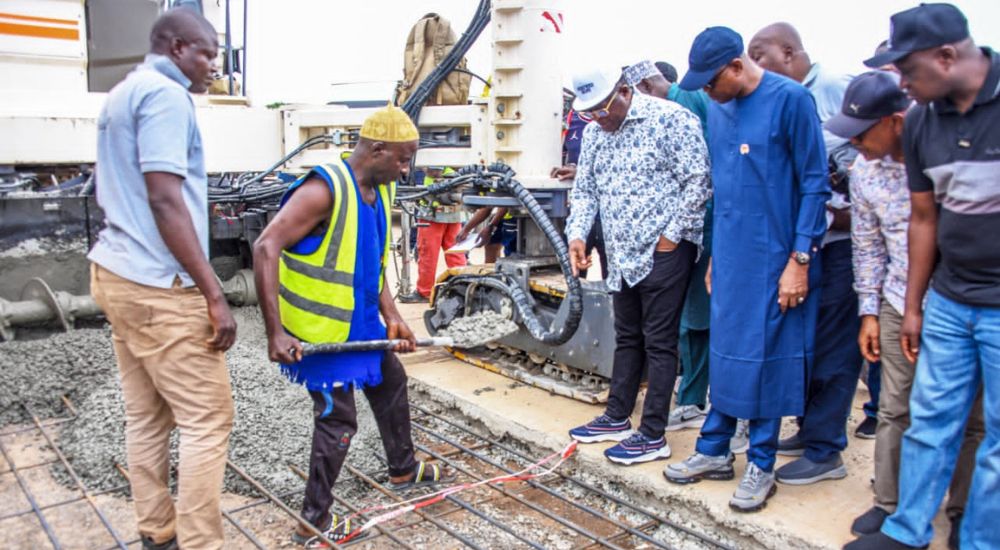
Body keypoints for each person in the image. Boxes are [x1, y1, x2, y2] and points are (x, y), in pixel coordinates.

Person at [252, 105, 452, 546]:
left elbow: (372, 262)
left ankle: (403, 469)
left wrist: (392, 315)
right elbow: (266, 247)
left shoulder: (381, 190)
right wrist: (275, 332)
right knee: (338, 420)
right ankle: (313, 522)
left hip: (359, 325)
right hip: (321, 334)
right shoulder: (323, 190)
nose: (406, 170)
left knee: (391, 382)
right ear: (376, 149)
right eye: (402, 159)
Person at [845, 4, 999, 549]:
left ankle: (974, 534)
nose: (903, 85)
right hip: (949, 300)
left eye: (907, 71)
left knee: (992, 436)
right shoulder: (925, 123)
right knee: (927, 420)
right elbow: (924, 218)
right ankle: (905, 530)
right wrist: (912, 307)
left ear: (947, 56)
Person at [664, 27, 830, 512]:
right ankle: (715, 449)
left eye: (711, 82)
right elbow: (726, 188)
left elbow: (815, 184)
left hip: (778, 258)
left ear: (736, 66)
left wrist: (799, 259)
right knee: (727, 354)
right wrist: (717, 254)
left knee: (768, 358)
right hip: (733, 257)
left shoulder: (791, 100)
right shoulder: (719, 109)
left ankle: (761, 463)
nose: (707, 92)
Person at [86, 9, 235, 550]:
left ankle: (158, 533)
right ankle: (200, 544)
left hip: (115, 272)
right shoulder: (167, 97)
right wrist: (213, 292)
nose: (214, 66)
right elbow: (164, 197)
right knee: (206, 419)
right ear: (176, 48)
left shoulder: (122, 93)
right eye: (207, 54)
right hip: (158, 285)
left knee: (146, 416)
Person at [564, 66, 711, 466]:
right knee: (627, 335)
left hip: (664, 250)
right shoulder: (595, 134)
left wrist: (672, 237)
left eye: (602, 109)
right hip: (620, 251)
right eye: (589, 113)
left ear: (625, 91)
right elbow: (586, 191)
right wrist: (577, 235)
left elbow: (698, 180)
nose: (598, 118)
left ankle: (652, 435)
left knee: (659, 340)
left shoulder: (671, 119)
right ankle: (617, 416)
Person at [747, 21, 863, 485]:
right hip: (803, 245)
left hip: (839, 245)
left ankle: (825, 450)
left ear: (790, 52)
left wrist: (845, 203)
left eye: (761, 55)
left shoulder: (834, 85)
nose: (755, 67)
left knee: (834, 349)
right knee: (806, 344)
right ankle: (809, 429)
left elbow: (876, 154)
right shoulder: (780, 98)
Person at [622, 59, 713, 432]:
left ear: (644, 86)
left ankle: (696, 399)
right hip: (686, 230)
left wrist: (673, 234)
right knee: (685, 320)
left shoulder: (684, 102)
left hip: (696, 230)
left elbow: (700, 176)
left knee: (696, 318)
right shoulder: (679, 103)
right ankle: (692, 395)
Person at [399, 166, 467, 303]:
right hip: (453, 213)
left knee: (428, 255)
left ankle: (425, 292)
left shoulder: (433, 157)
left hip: (432, 213)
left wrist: (425, 168)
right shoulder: (456, 163)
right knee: (456, 254)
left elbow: (434, 171)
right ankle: (463, 290)